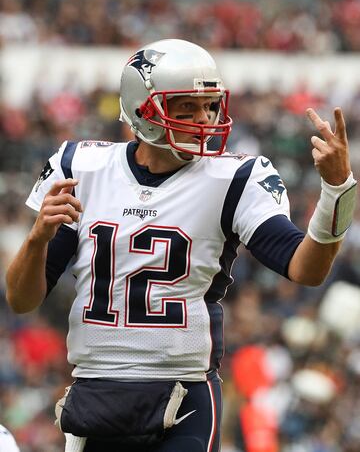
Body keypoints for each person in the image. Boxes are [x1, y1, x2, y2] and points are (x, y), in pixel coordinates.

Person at [6, 39, 357, 452]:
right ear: (143, 108)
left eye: (209, 105)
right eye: (185, 106)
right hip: (97, 392)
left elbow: (306, 269)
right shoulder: (81, 167)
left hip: (183, 395)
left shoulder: (234, 179)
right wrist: (36, 240)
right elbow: (21, 299)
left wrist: (337, 190)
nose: (203, 117)